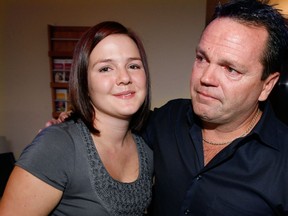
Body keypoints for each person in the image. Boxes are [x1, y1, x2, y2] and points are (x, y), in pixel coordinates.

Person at [43, 0, 288, 215]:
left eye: (230, 69)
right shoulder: (168, 120)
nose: (206, 78)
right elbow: (113, 128)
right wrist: (71, 126)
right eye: (202, 58)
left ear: (267, 85)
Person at [0, 21, 153, 216]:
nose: (124, 77)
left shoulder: (147, 148)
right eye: (106, 68)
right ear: (83, 82)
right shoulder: (56, 145)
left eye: (133, 65)